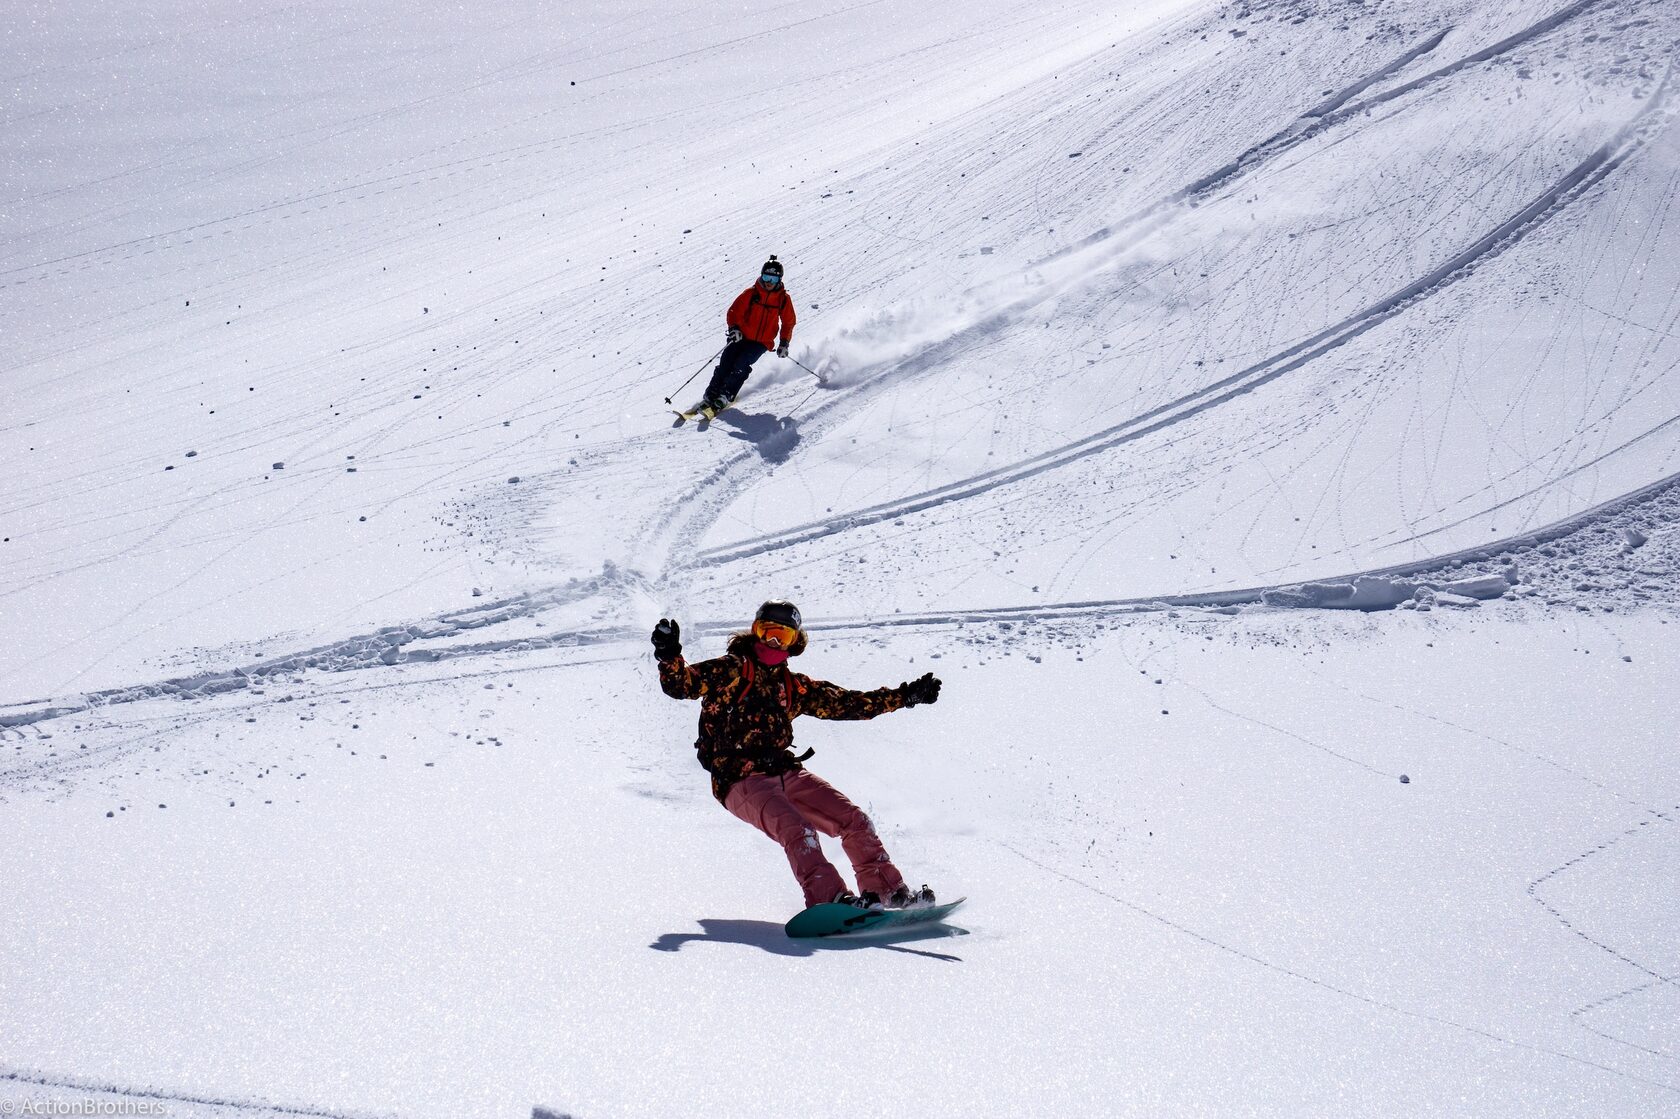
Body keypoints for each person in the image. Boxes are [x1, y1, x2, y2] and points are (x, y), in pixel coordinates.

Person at [651, 600, 942, 911]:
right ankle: (830, 900)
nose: (773, 642)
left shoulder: (793, 686)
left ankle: (888, 891)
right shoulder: (732, 670)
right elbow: (684, 685)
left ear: (795, 642)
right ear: (755, 632)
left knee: (855, 820)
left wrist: (904, 697)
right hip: (738, 779)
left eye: (783, 636)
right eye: (768, 632)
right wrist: (669, 655)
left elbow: (847, 704)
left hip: (786, 772)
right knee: (797, 829)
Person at [699, 256, 796, 416]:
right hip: (741, 336)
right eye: (766, 277)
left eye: (773, 278)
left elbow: (788, 322)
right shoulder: (751, 293)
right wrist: (734, 329)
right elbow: (733, 312)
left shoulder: (783, 300)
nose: (768, 282)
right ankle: (711, 394)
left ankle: (726, 395)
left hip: (762, 342)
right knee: (726, 361)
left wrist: (784, 343)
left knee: (741, 364)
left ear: (779, 279)